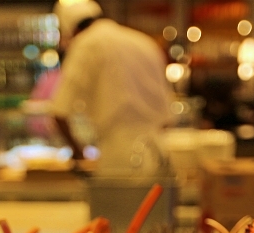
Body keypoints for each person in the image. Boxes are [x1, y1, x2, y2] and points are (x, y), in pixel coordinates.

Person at [50, 1, 172, 176]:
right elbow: (167, 111)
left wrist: (78, 152)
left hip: (118, 156)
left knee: (121, 194)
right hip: (159, 152)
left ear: (73, 30)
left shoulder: (86, 43)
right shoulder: (143, 41)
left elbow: (60, 111)